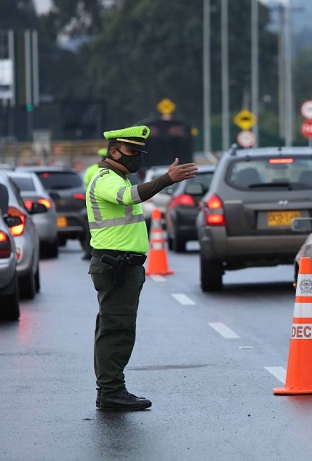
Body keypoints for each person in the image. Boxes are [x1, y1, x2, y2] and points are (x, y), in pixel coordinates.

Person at [86, 125, 197, 410]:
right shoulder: (106, 179)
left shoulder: (117, 177)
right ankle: (111, 391)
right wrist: (165, 180)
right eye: (131, 151)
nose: (136, 157)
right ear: (113, 151)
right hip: (115, 265)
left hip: (123, 266)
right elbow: (130, 196)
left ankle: (110, 389)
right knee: (116, 330)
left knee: (117, 328)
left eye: (138, 152)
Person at [81, 148, 109, 260]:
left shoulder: (91, 170)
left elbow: (86, 189)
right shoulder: (111, 170)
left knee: (91, 229)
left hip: (91, 204)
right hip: (107, 204)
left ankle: (89, 252)